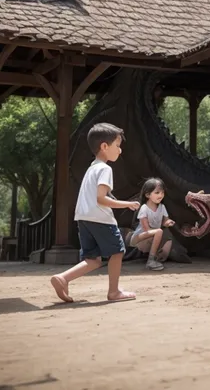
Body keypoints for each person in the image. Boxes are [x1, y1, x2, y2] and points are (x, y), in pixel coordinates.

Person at [50, 122, 140, 303]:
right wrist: (126, 204)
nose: (120, 150)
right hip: (100, 218)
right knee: (117, 251)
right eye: (117, 146)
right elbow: (101, 198)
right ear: (104, 146)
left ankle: (63, 278)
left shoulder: (92, 168)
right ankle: (114, 292)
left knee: (93, 259)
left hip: (84, 218)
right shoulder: (105, 169)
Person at [129, 178, 175, 271]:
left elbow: (165, 220)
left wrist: (168, 222)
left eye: (162, 193)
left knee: (167, 238)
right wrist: (158, 232)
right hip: (139, 237)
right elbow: (147, 229)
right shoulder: (144, 208)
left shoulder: (162, 207)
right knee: (159, 231)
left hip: (153, 235)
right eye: (157, 193)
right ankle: (150, 261)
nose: (161, 195)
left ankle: (156, 258)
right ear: (147, 194)